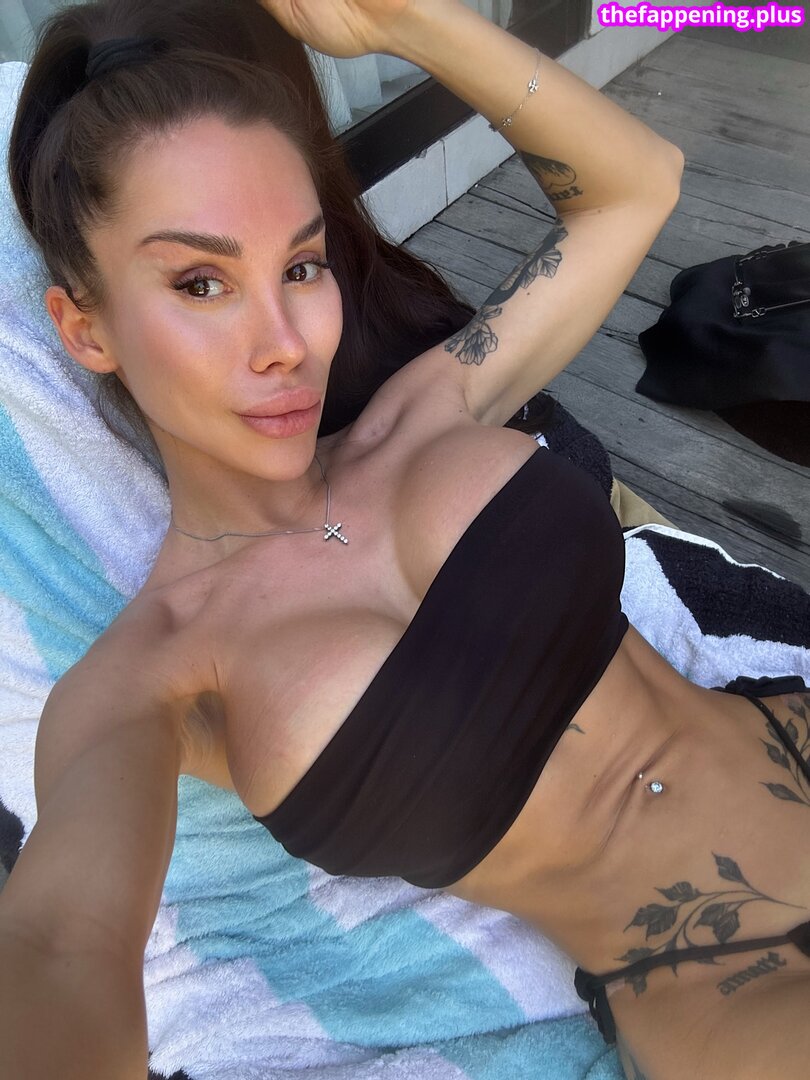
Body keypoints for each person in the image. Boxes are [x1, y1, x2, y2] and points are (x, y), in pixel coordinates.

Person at [0, 2, 807, 1078]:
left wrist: (410, 25)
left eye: (301, 267)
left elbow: (637, 185)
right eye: (201, 283)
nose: (285, 345)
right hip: (720, 972)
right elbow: (62, 948)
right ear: (84, 327)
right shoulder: (150, 681)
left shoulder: (429, 409)